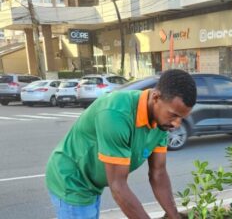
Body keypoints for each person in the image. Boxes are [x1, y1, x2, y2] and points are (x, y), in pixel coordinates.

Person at [46, 69, 197, 219]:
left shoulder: (162, 121)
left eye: (182, 118)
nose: (177, 124)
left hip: (93, 181)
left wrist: (174, 216)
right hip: (72, 179)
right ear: (156, 97)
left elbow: (159, 173)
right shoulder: (116, 114)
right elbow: (118, 186)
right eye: (174, 115)